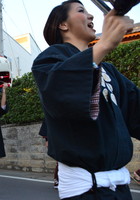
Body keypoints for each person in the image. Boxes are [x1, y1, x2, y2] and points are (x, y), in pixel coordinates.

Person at [32, 1, 139, 199]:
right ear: (63, 25)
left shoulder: (109, 71)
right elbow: (60, 90)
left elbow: (136, 111)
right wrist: (104, 43)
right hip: (85, 191)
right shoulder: (49, 59)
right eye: (82, 11)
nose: (91, 16)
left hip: (120, 188)